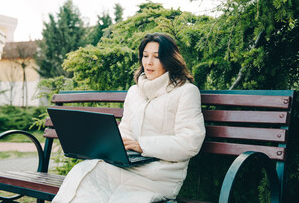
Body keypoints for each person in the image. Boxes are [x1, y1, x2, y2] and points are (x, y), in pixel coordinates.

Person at [52, 33, 205, 203]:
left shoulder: (186, 92)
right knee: (84, 172)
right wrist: (111, 144)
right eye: (145, 56)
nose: (148, 62)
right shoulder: (134, 92)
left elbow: (190, 142)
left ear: (169, 59)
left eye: (157, 57)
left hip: (158, 176)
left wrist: (142, 146)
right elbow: (126, 128)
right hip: (126, 166)